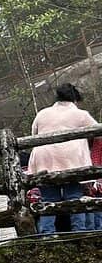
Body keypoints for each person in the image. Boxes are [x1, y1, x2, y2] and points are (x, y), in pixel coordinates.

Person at [28, 83, 98, 234]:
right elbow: (97, 131)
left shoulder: (42, 113)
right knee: (74, 197)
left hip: (43, 159)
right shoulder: (81, 114)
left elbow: (33, 134)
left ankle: (48, 234)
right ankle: (79, 232)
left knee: (48, 198)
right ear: (75, 99)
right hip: (70, 160)